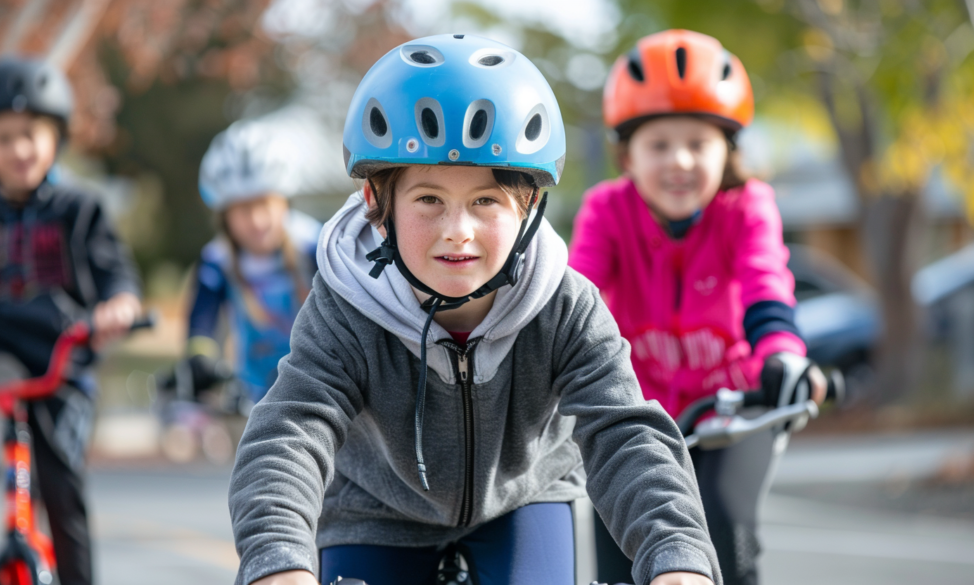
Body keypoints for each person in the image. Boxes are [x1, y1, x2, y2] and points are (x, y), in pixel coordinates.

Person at [228, 34, 721, 585]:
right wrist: (278, 562)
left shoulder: (567, 307)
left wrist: (678, 558)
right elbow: (290, 431)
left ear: (529, 205)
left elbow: (625, 433)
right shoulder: (344, 307)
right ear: (376, 204)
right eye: (428, 200)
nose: (456, 231)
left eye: (486, 201)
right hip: (374, 510)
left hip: (523, 499)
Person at [568, 30, 827, 585]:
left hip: (734, 403)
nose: (679, 161)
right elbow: (575, 298)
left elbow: (767, 285)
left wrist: (782, 354)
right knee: (624, 534)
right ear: (627, 154)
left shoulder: (748, 207)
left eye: (698, 143)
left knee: (725, 526)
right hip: (637, 409)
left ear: (728, 150)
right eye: (659, 144)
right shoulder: (607, 212)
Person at [0, 56, 142, 585]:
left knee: (62, 485)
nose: (19, 150)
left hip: (61, 358)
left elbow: (115, 272)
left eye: (31, 135)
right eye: (4, 138)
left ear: (56, 139)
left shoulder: (80, 209)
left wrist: (118, 303)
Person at [165, 119, 321, 411]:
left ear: (284, 201)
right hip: (255, 399)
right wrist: (200, 358)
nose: (257, 220)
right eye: (243, 209)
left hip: (322, 387)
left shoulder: (315, 247)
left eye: (265, 204)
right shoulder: (217, 261)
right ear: (225, 215)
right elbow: (202, 321)